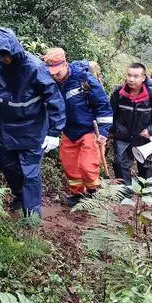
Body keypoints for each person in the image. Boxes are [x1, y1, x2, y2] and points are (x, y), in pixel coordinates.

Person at [0, 29, 66, 218]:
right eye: (0, 56)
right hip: (7, 126)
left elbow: (54, 99)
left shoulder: (35, 68)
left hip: (32, 127)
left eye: (6, 55)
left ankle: (32, 216)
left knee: (30, 173)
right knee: (7, 166)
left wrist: (54, 132)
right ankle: (20, 196)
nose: (3, 59)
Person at [43, 48, 113, 207]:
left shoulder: (84, 79)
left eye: (57, 72)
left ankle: (94, 192)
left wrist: (103, 131)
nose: (55, 76)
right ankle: (77, 194)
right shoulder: (51, 82)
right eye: (51, 73)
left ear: (65, 64)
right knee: (70, 166)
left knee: (87, 167)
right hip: (68, 131)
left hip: (89, 130)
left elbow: (103, 106)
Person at [110, 63, 152, 188]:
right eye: (129, 75)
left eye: (136, 76)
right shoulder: (119, 93)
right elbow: (111, 113)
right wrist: (111, 130)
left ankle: (145, 193)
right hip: (122, 134)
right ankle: (124, 193)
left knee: (145, 165)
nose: (131, 79)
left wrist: (151, 129)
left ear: (143, 78)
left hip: (143, 136)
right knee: (120, 163)